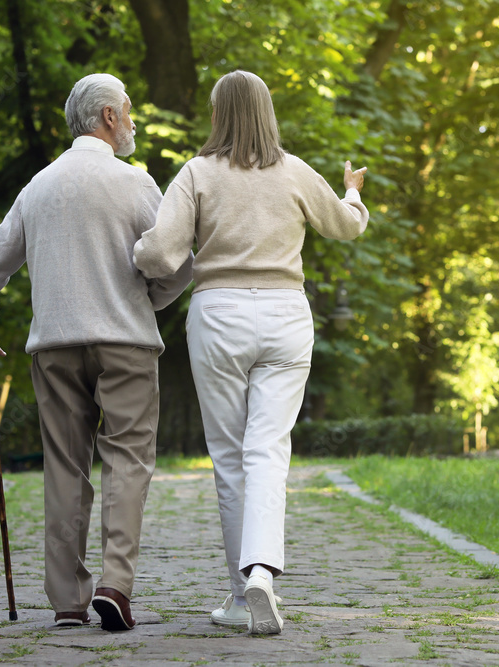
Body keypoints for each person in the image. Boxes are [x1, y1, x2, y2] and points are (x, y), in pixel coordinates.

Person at [0, 73, 193, 632]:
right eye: (128, 110)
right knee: (127, 460)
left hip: (55, 346)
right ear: (109, 117)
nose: (132, 119)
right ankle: (115, 585)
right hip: (126, 342)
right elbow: (178, 262)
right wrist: (149, 299)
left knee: (64, 467)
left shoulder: (37, 187)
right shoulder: (135, 184)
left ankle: (67, 602)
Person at [133, 70, 369, 635]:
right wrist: (354, 188)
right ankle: (262, 572)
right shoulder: (295, 171)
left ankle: (242, 595)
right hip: (287, 317)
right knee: (268, 450)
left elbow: (161, 255)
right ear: (267, 113)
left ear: (218, 115)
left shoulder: (196, 173)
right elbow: (347, 225)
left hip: (219, 316)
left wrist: (135, 248)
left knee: (230, 456)